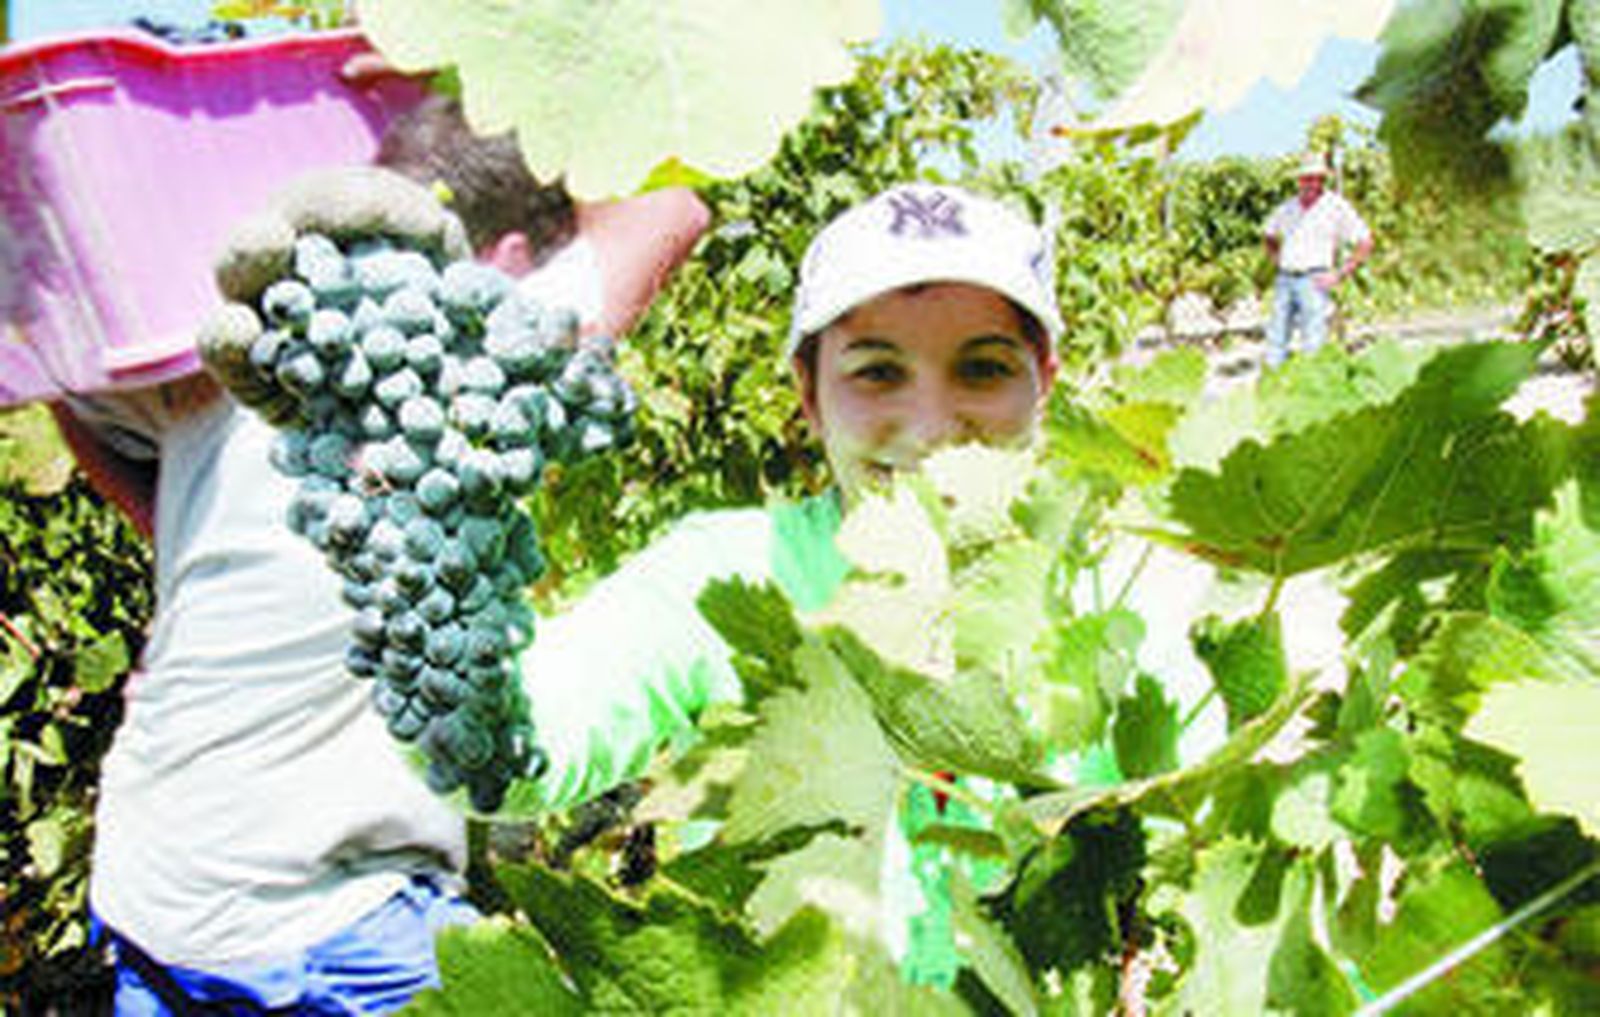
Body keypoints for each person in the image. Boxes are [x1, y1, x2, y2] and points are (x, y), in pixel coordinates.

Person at [48, 97, 708, 1013]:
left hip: (152, 881)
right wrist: (505, 65)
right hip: (329, 917)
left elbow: (68, 391)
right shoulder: (479, 346)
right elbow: (670, 210)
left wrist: (177, 535)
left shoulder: (238, 370)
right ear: (508, 258)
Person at [1261, 150, 1374, 367]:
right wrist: (1276, 258)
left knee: (1313, 342)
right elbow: (1269, 235)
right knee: (1276, 339)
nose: (1311, 183)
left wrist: (1340, 274)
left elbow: (1365, 241)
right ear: (1299, 180)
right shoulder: (1288, 207)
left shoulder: (1335, 206)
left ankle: (1310, 385)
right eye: (1307, 178)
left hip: (1314, 280)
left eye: (1316, 178)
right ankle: (1273, 383)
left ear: (1323, 179)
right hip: (1285, 279)